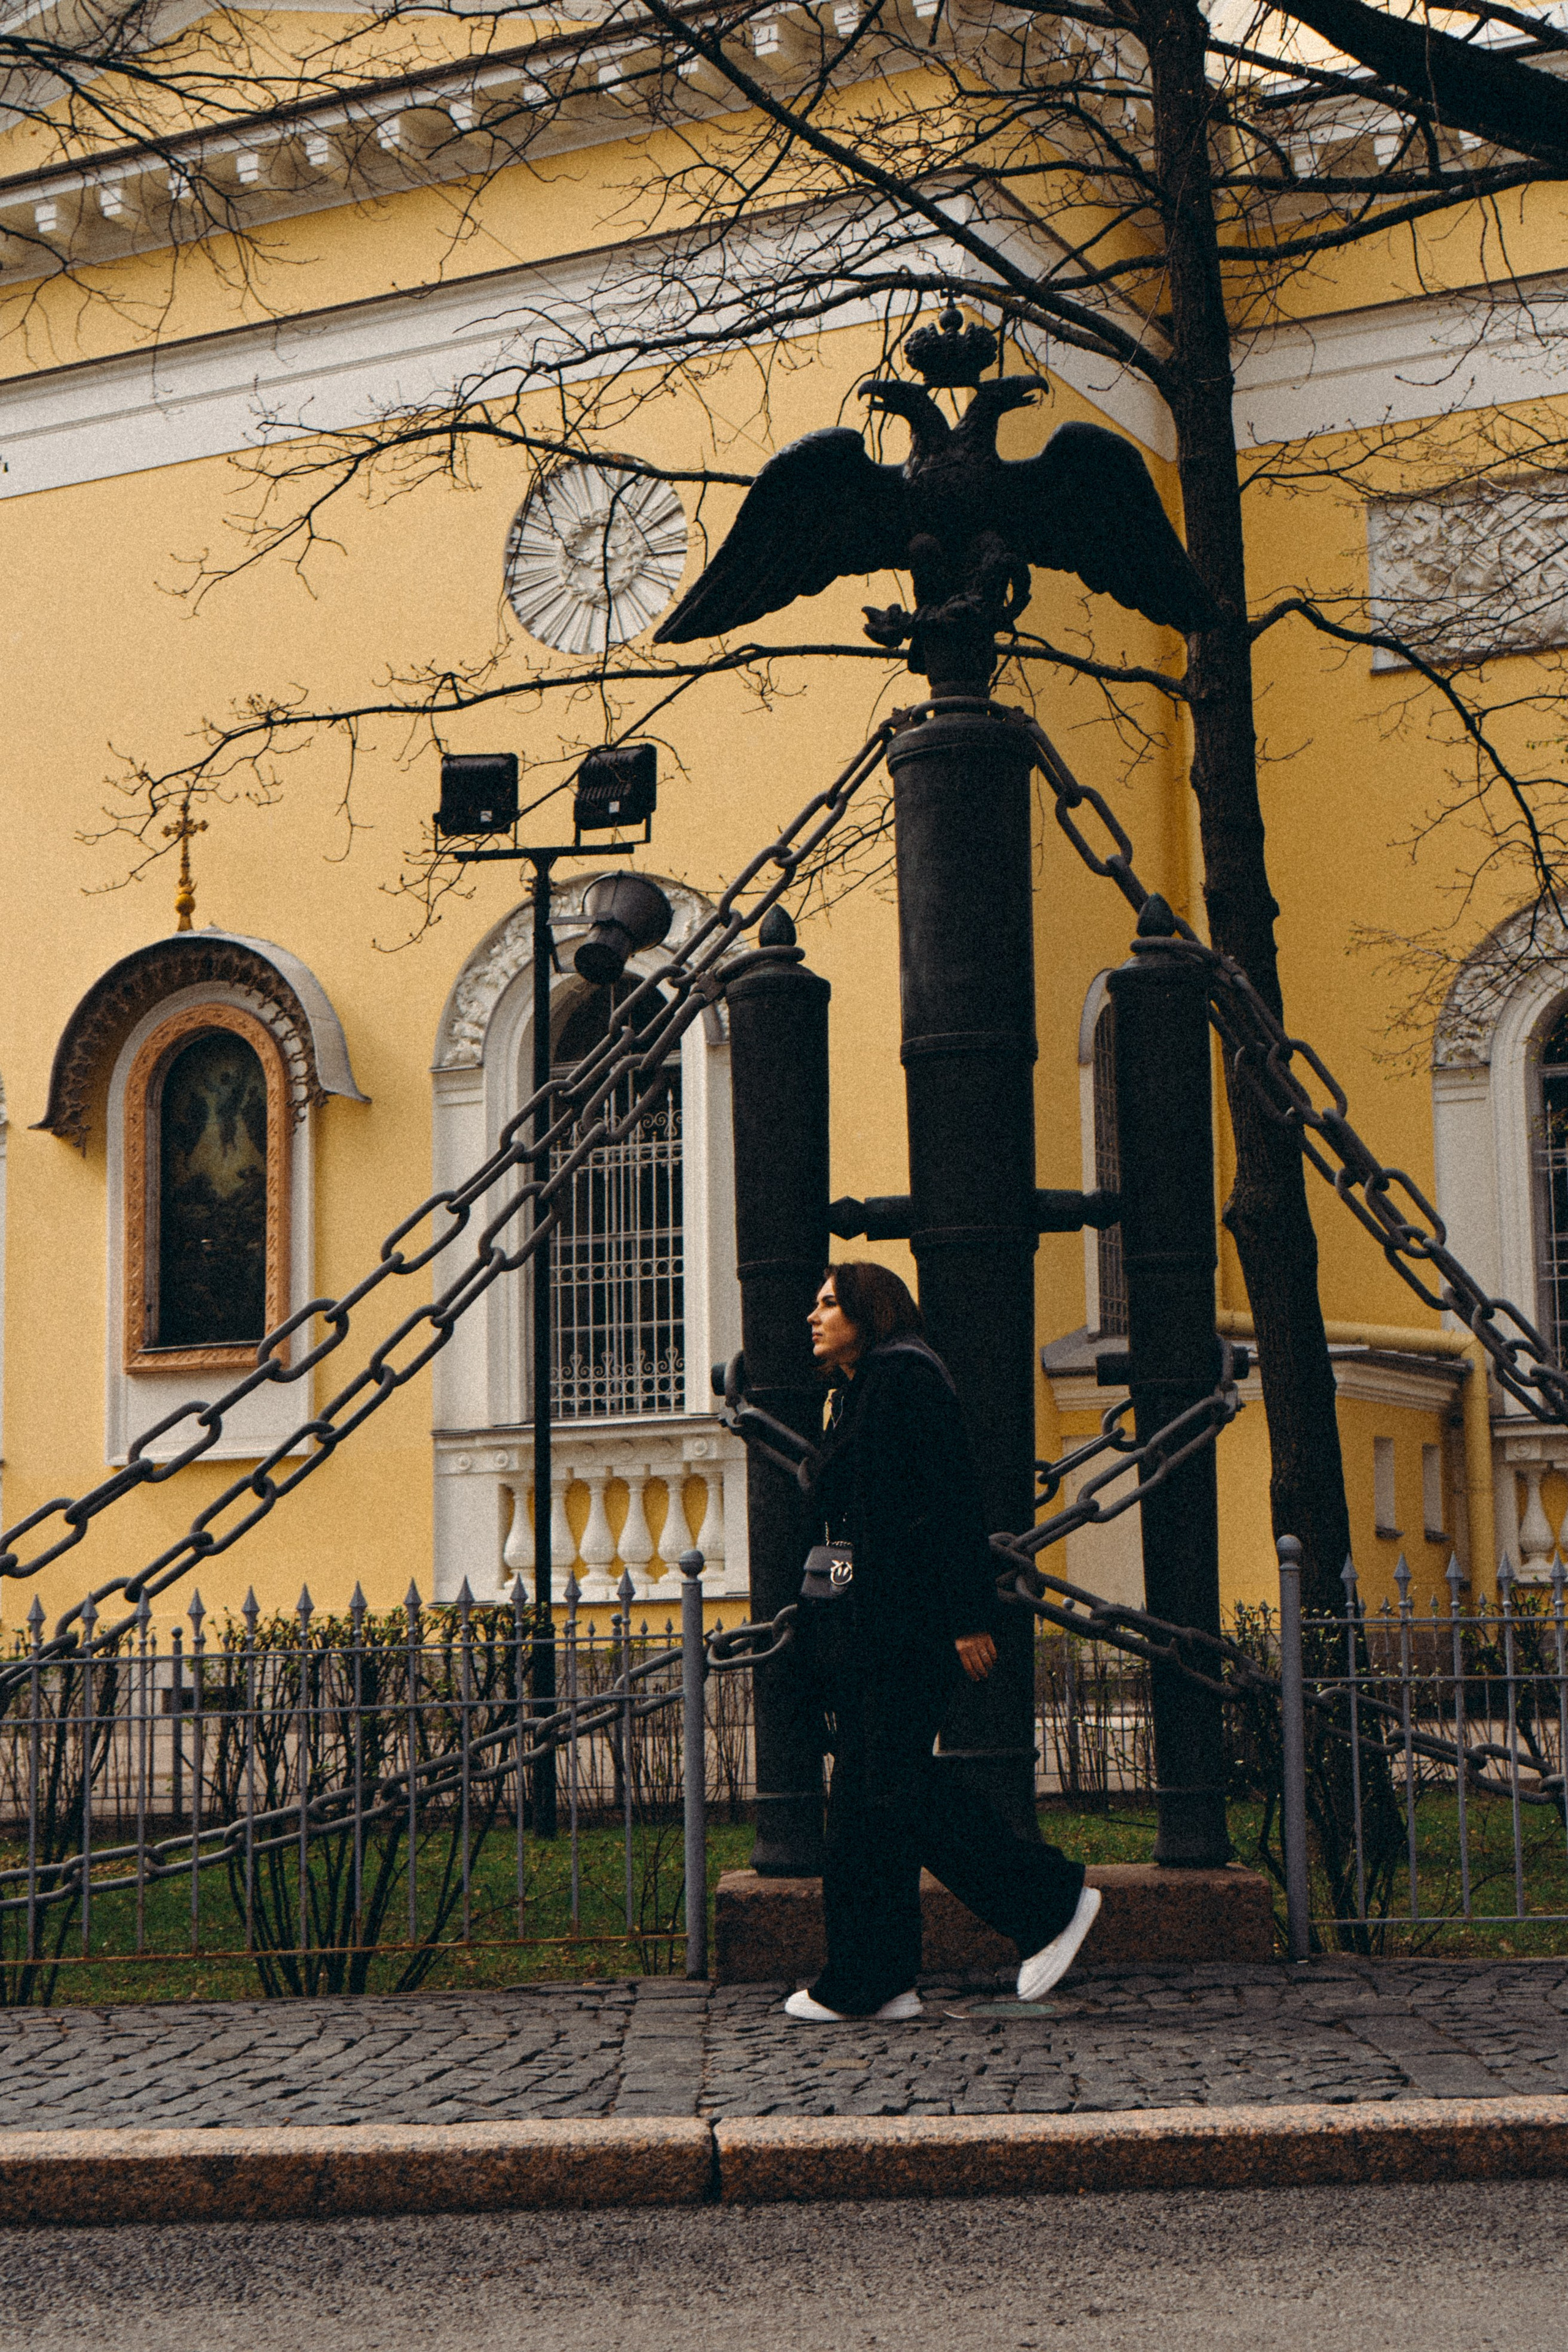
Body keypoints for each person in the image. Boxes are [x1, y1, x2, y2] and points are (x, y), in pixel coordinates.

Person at [783, 1262, 1101, 2022]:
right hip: (874, 1628)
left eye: (829, 1303)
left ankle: (1048, 1903)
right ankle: (878, 1979)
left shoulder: (904, 1379)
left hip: (907, 1630)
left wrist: (966, 1617)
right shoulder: (865, 1388)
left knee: (885, 1792)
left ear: (871, 1310)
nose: (812, 1316)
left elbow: (948, 1501)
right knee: (875, 1800)